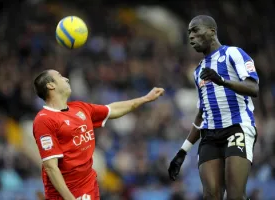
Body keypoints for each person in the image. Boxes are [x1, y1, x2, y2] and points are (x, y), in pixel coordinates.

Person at [32, 69, 164, 200]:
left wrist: (145, 98)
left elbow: (113, 109)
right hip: (65, 193)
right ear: (51, 85)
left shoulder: (79, 108)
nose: (66, 79)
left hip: (88, 186)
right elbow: (50, 167)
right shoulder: (44, 119)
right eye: (60, 76)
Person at [168, 15, 259, 200]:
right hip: (209, 136)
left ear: (212, 31)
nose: (191, 36)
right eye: (188, 33)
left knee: (235, 196)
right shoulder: (198, 71)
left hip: (237, 128)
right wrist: (182, 151)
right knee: (211, 196)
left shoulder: (234, 54)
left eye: (195, 30)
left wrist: (222, 81)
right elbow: (202, 113)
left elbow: (253, 88)